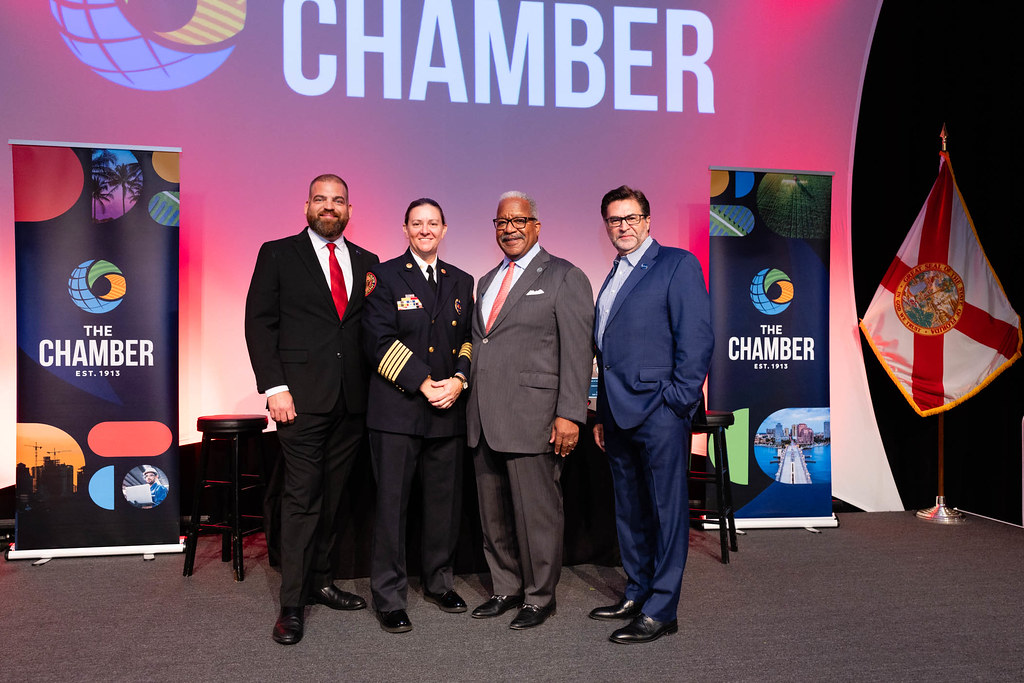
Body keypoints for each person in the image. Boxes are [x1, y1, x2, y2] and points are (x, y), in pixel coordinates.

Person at [244, 173, 379, 646]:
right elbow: (259, 324)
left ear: (349, 210)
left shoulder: (367, 262)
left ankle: (321, 580)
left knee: (334, 497)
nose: (329, 207)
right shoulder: (278, 253)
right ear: (306, 206)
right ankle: (291, 604)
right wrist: (274, 388)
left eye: (338, 200)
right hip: (298, 401)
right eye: (320, 199)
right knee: (302, 499)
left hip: (352, 402)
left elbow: (368, 331)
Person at [591, 185, 714, 644]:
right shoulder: (613, 272)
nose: (622, 226)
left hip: (660, 410)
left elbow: (697, 339)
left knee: (665, 512)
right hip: (617, 412)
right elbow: (608, 352)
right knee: (630, 510)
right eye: (614, 219)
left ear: (647, 220)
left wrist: (678, 401)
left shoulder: (677, 264)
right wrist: (601, 414)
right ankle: (637, 591)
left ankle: (662, 610)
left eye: (631, 218)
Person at [466, 191, 594, 630]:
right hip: (483, 418)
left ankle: (540, 596)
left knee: (536, 514)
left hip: (534, 418)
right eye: (502, 222)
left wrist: (570, 414)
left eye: (519, 220)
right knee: (494, 515)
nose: (510, 229)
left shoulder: (565, 276)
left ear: (536, 226)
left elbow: (577, 352)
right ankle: (506, 587)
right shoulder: (486, 280)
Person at [362, 198, 474, 633]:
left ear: (444, 230)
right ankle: (389, 596)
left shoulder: (461, 280)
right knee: (392, 508)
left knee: (443, 506)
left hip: (447, 408)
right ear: (405, 229)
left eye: (433, 223)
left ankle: (439, 582)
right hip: (398, 410)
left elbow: (468, 340)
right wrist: (423, 382)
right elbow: (377, 339)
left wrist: (459, 380)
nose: (425, 230)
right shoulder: (384, 276)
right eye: (417, 223)